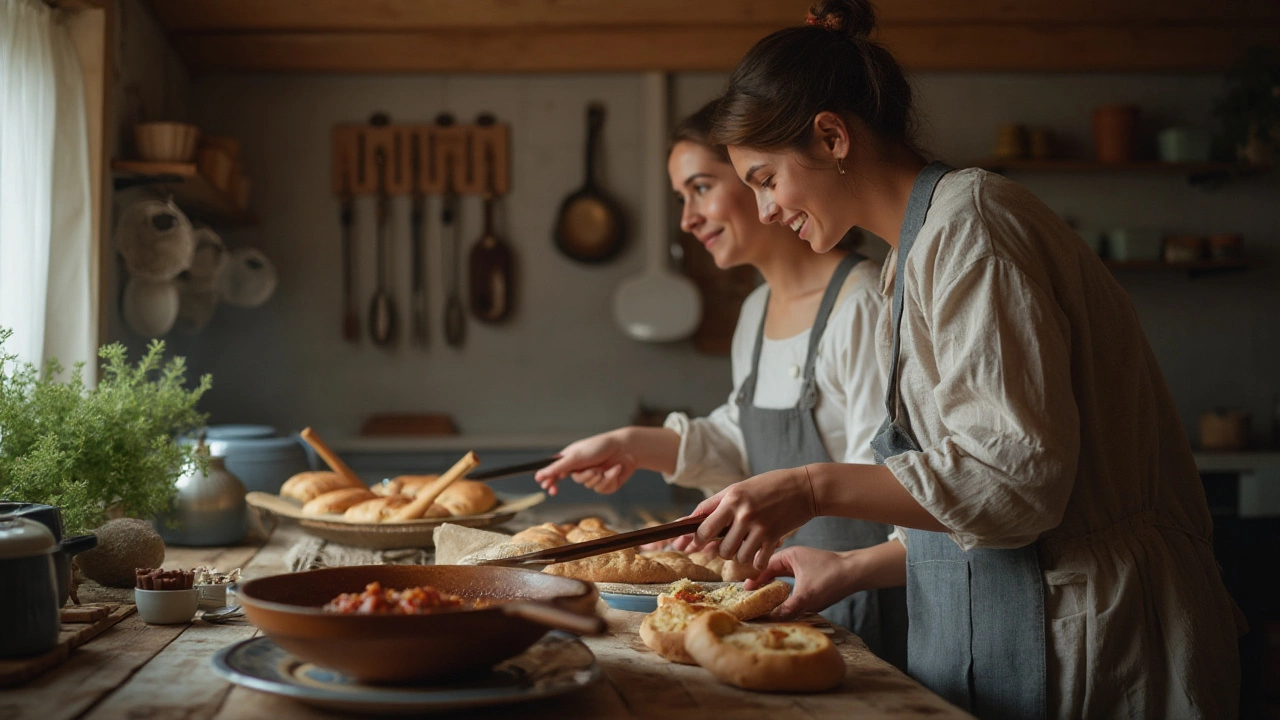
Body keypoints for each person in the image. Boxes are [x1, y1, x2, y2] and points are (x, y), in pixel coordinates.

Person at [672, 1, 1246, 718]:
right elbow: (968, 485)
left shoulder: (971, 228)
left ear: (830, 136)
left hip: (1097, 641)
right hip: (1030, 622)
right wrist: (853, 566)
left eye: (763, 179)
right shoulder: (913, 256)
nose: (763, 210)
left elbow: (1018, 481)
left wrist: (813, 488)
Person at [534, 101, 907, 667]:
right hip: (790, 601)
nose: (687, 219)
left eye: (700, 188)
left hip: (863, 604)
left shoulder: (858, 304)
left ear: (762, 177)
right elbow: (739, 442)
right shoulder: (757, 310)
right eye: (682, 198)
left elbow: (889, 484)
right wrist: (631, 443)